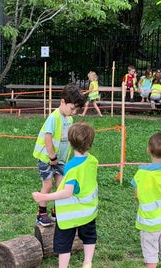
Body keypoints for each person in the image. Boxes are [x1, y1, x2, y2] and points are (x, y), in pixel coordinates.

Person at [32, 121, 99, 268]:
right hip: (88, 212)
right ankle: (87, 262)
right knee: (89, 237)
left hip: (70, 216)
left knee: (64, 244)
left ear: (69, 143)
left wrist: (43, 197)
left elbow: (67, 192)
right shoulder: (93, 161)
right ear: (90, 143)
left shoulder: (71, 166)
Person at [32, 83, 85, 226]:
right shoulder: (53, 118)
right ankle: (41, 213)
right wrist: (52, 157)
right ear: (63, 101)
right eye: (72, 108)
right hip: (46, 158)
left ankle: (58, 211)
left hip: (60, 160)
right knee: (47, 185)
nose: (74, 112)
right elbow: (47, 138)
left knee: (62, 185)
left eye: (76, 109)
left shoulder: (70, 119)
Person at [130, 132, 161, 268]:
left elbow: (137, 195)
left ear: (148, 150)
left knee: (151, 251)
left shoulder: (140, 174)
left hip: (149, 222)